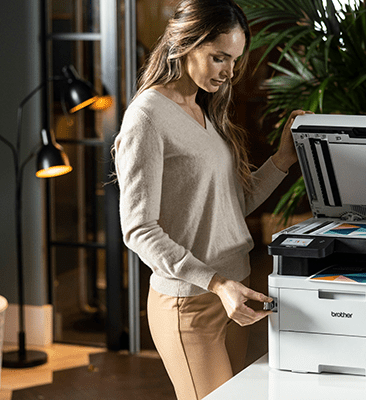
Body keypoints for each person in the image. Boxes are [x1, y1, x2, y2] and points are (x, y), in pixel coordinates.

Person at [113, 1, 309, 398]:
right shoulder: (147, 118)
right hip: (191, 303)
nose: (229, 72)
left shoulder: (201, 110)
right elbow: (138, 229)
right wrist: (217, 283)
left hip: (235, 294)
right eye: (218, 58)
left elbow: (230, 205)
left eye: (234, 60)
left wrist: (283, 158)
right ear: (184, 44)